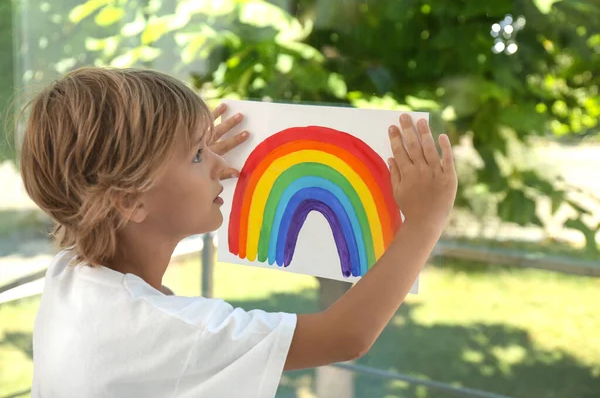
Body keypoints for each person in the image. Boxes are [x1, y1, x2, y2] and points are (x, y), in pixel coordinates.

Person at [19, 67, 457, 398]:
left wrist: (184, 167)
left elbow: (145, 203)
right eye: (197, 154)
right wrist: (424, 221)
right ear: (131, 201)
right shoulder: (168, 333)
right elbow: (346, 336)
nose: (217, 162)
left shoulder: (69, 277)